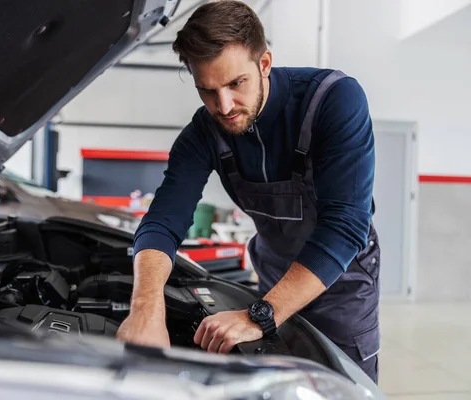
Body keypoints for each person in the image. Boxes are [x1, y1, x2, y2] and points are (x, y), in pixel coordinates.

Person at [115, 0, 380, 383]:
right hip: (272, 275)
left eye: (236, 84)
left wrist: (262, 314)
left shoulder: (333, 101)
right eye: (207, 90)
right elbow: (163, 221)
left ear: (265, 64)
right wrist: (145, 306)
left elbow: (345, 225)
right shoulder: (203, 133)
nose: (223, 107)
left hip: (342, 290)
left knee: (341, 387)